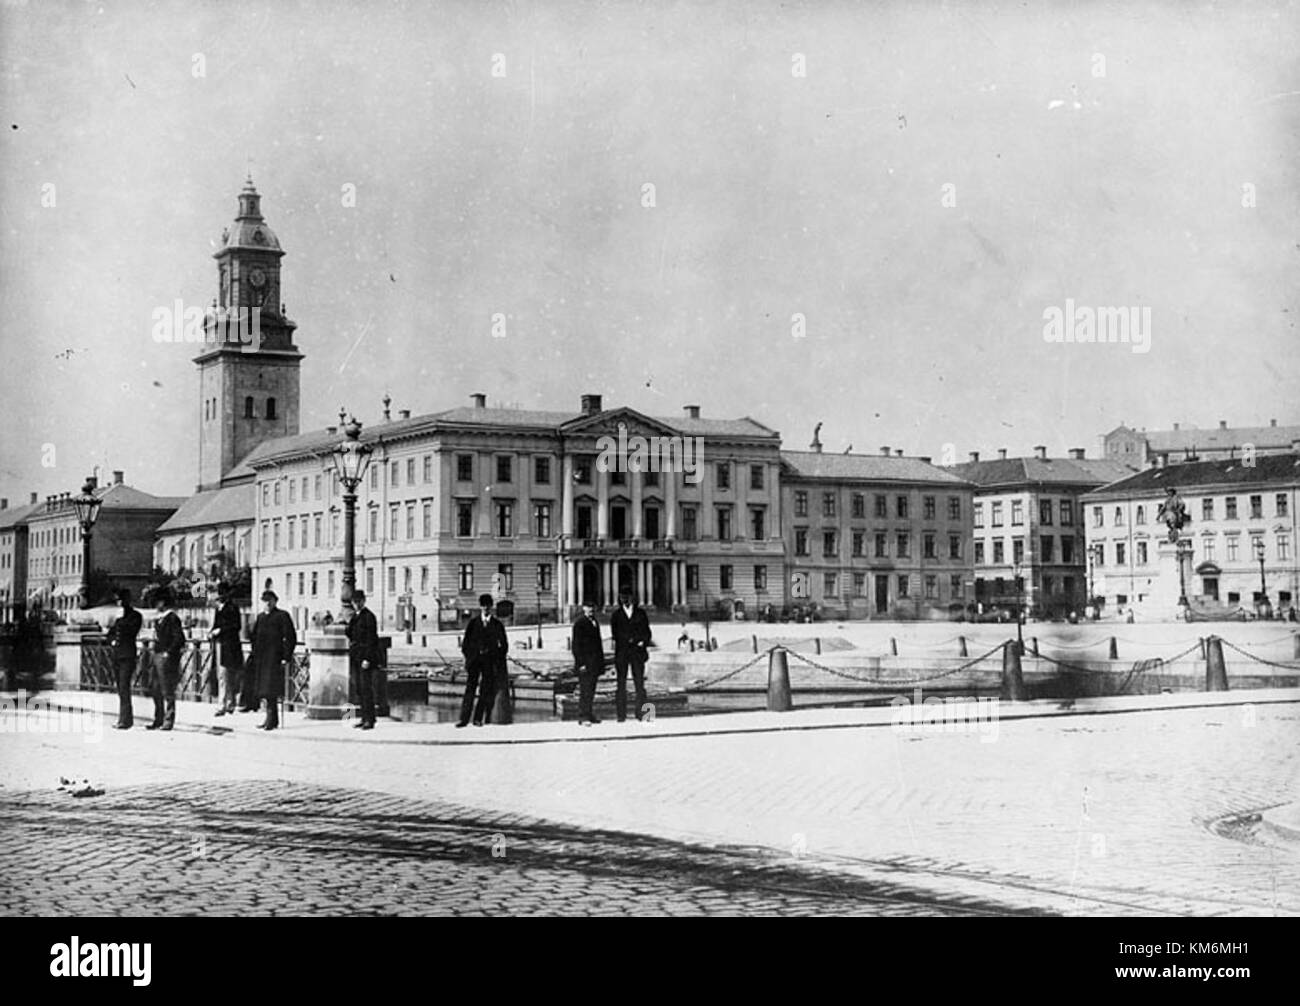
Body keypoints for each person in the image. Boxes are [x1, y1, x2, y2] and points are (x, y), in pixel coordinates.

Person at [248, 589, 297, 731]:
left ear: (275, 601)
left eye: (270, 601)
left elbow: (290, 637)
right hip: (262, 658)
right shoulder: (261, 617)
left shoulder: (282, 616)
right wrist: (254, 652)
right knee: (264, 689)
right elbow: (254, 636)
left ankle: (272, 719)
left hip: (275, 658)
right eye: (265, 601)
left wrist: (286, 656)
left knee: (271, 689)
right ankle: (270, 718)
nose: (267, 603)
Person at [457, 594, 508, 727]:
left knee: (485, 691)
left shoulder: (497, 625)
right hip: (474, 662)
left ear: (491, 607)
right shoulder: (473, 624)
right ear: (480, 607)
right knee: (470, 690)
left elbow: (504, 646)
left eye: (488, 606)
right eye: (483, 606)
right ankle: (464, 719)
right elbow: (465, 645)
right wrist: (470, 657)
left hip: (489, 663)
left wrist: (494, 656)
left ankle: (478, 718)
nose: (486, 608)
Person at [610, 589, 652, 722]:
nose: (625, 600)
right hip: (622, 652)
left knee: (639, 683)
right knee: (620, 684)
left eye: (627, 597)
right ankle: (621, 715)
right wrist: (628, 640)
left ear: (632, 598)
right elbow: (615, 634)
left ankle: (643, 714)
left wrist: (641, 641)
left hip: (637, 653)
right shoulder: (616, 615)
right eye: (622, 597)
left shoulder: (641, 613)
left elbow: (647, 632)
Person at [147, 589, 185, 731]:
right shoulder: (160, 618)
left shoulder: (172, 618)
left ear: (162, 602)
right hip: (157, 655)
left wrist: (169, 652)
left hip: (165, 657)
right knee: (155, 688)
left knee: (167, 689)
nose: (156, 606)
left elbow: (179, 638)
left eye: (157, 603)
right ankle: (158, 718)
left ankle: (168, 719)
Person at [106, 588, 142, 729]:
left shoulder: (135, 616)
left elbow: (131, 631)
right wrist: (112, 641)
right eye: (117, 600)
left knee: (124, 686)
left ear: (126, 601)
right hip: (117, 655)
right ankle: (124, 718)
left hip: (128, 655)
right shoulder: (119, 618)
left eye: (120, 600)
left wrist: (121, 620)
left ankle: (125, 720)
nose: (119, 603)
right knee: (120, 687)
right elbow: (110, 634)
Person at [346, 590, 381, 730]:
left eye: (358, 602)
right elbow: (350, 633)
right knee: (359, 688)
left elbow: (372, 640)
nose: (356, 604)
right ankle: (364, 717)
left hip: (365, 657)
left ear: (363, 601)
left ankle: (370, 719)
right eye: (354, 602)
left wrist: (367, 658)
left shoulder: (369, 617)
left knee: (366, 689)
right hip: (356, 656)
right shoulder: (356, 616)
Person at [208, 587, 245, 716]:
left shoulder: (231, 608)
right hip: (221, 645)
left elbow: (236, 626)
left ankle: (224, 704)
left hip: (229, 646)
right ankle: (228, 703)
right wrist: (211, 633)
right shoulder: (219, 609)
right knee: (223, 675)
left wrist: (220, 630)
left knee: (225, 674)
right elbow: (216, 625)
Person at [571, 601, 605, 726]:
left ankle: (589, 714)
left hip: (594, 663)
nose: (591, 609)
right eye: (588, 607)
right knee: (584, 690)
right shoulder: (580, 623)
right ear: (583, 608)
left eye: (592, 607)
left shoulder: (595, 622)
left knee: (591, 691)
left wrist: (601, 664)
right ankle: (582, 716)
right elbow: (576, 646)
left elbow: (598, 644)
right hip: (585, 664)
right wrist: (581, 664)